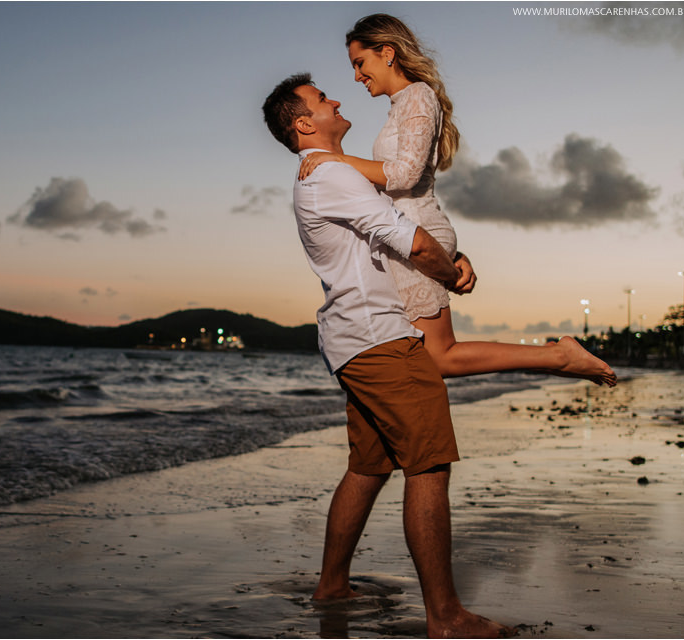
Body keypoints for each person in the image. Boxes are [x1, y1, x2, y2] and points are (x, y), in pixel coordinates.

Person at [263, 72, 515, 638]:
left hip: (353, 342)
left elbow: (410, 230)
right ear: (305, 123)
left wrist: (455, 255)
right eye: (323, 99)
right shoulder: (332, 176)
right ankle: (446, 617)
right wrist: (455, 277)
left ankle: (331, 585)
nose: (336, 99)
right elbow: (416, 245)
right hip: (382, 341)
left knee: (369, 465)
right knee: (428, 465)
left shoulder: (330, 176)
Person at [298, 13, 616, 387]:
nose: (356, 76)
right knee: (426, 357)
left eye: (359, 63)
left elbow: (405, 175)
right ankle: (554, 357)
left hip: (416, 233)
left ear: (387, 53)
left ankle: (558, 356)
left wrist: (336, 159)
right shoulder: (403, 103)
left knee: (439, 356)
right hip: (409, 232)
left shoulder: (418, 95)